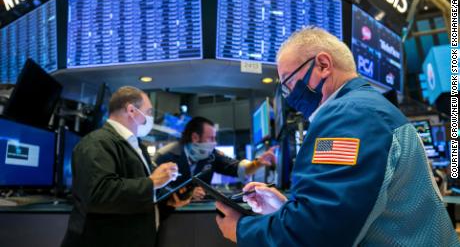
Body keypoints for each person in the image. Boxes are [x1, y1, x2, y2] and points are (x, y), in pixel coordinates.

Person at [215, 27, 459, 246]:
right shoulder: (369, 107)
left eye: (288, 82)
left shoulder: (349, 115)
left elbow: (317, 235)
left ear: (323, 65)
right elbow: (352, 210)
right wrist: (285, 207)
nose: (288, 95)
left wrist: (241, 229)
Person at [61, 86, 180, 247]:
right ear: (131, 111)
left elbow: (135, 187)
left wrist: (168, 197)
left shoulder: (135, 144)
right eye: (149, 112)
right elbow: (99, 193)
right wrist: (152, 182)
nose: (150, 118)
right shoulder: (97, 143)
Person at [153, 116, 276, 204]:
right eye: (211, 138)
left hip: (197, 212)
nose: (214, 143)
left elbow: (238, 169)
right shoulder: (165, 156)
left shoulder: (211, 155)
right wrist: (186, 194)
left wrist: (258, 163)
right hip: (170, 215)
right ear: (195, 137)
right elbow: (154, 191)